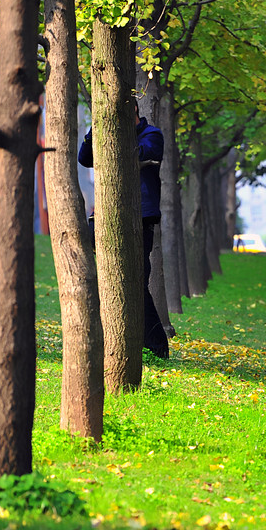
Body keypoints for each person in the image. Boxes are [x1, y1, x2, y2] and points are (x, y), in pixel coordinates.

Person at [78, 97, 169, 359]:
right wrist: (96, 130)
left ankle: (156, 345)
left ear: (134, 113)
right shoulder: (104, 132)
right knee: (110, 281)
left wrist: (113, 135)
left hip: (141, 217)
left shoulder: (152, 135)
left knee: (137, 282)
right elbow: (85, 159)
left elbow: (143, 154)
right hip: (107, 215)